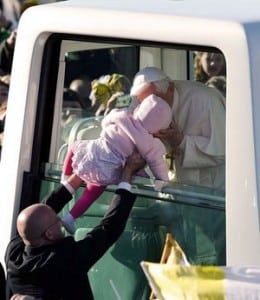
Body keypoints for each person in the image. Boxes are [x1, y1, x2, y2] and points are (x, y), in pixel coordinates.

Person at [5, 151, 146, 300]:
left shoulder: (14, 254)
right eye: (57, 221)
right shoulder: (64, 260)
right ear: (49, 234)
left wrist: (79, 175)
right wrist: (127, 174)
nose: (60, 221)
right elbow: (109, 228)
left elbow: (41, 212)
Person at [61, 88, 172, 233]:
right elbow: (157, 164)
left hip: (95, 150)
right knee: (91, 193)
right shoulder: (151, 144)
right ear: (159, 128)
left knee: (75, 147)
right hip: (106, 169)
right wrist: (163, 182)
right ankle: (70, 217)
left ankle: (64, 179)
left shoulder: (122, 116)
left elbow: (105, 121)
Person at [130, 66, 225, 192]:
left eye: (157, 98)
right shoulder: (140, 101)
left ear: (170, 88)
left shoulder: (205, 100)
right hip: (172, 187)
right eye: (143, 102)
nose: (150, 106)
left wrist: (180, 141)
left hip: (209, 191)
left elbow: (223, 152)